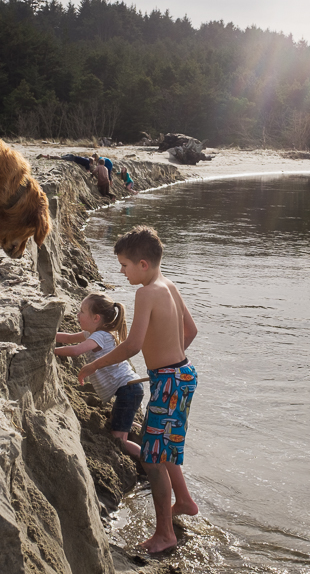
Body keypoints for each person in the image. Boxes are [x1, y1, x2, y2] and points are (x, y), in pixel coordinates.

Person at [78, 225, 199, 553]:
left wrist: (94, 364)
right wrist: (171, 360)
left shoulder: (145, 293)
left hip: (169, 380)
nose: (121, 271)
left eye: (124, 265)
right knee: (163, 446)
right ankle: (185, 501)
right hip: (183, 374)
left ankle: (165, 535)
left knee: (151, 458)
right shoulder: (168, 285)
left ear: (142, 264)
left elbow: (132, 345)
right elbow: (191, 330)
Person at [55, 293, 144, 457]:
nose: (77, 314)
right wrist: (48, 336)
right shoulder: (95, 333)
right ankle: (132, 429)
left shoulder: (100, 336)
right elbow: (68, 338)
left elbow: (75, 350)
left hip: (128, 389)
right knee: (118, 427)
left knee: (119, 440)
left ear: (96, 318)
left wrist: (50, 351)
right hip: (129, 387)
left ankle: (149, 460)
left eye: (82, 311)